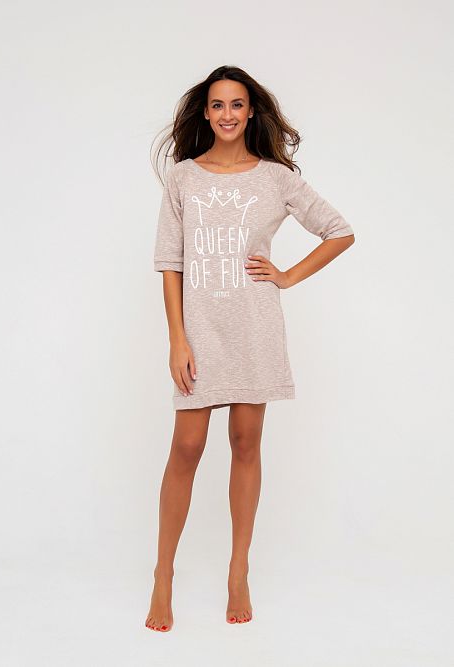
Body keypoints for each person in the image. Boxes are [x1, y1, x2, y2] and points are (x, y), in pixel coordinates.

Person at [146, 65, 355, 632]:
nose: (228, 114)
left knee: (245, 442)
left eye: (237, 104)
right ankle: (163, 574)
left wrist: (286, 276)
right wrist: (177, 338)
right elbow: (170, 262)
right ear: (205, 113)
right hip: (200, 331)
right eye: (218, 105)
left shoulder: (275, 178)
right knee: (186, 446)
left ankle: (238, 570)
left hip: (254, 328)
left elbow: (339, 231)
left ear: (251, 112)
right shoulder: (183, 178)